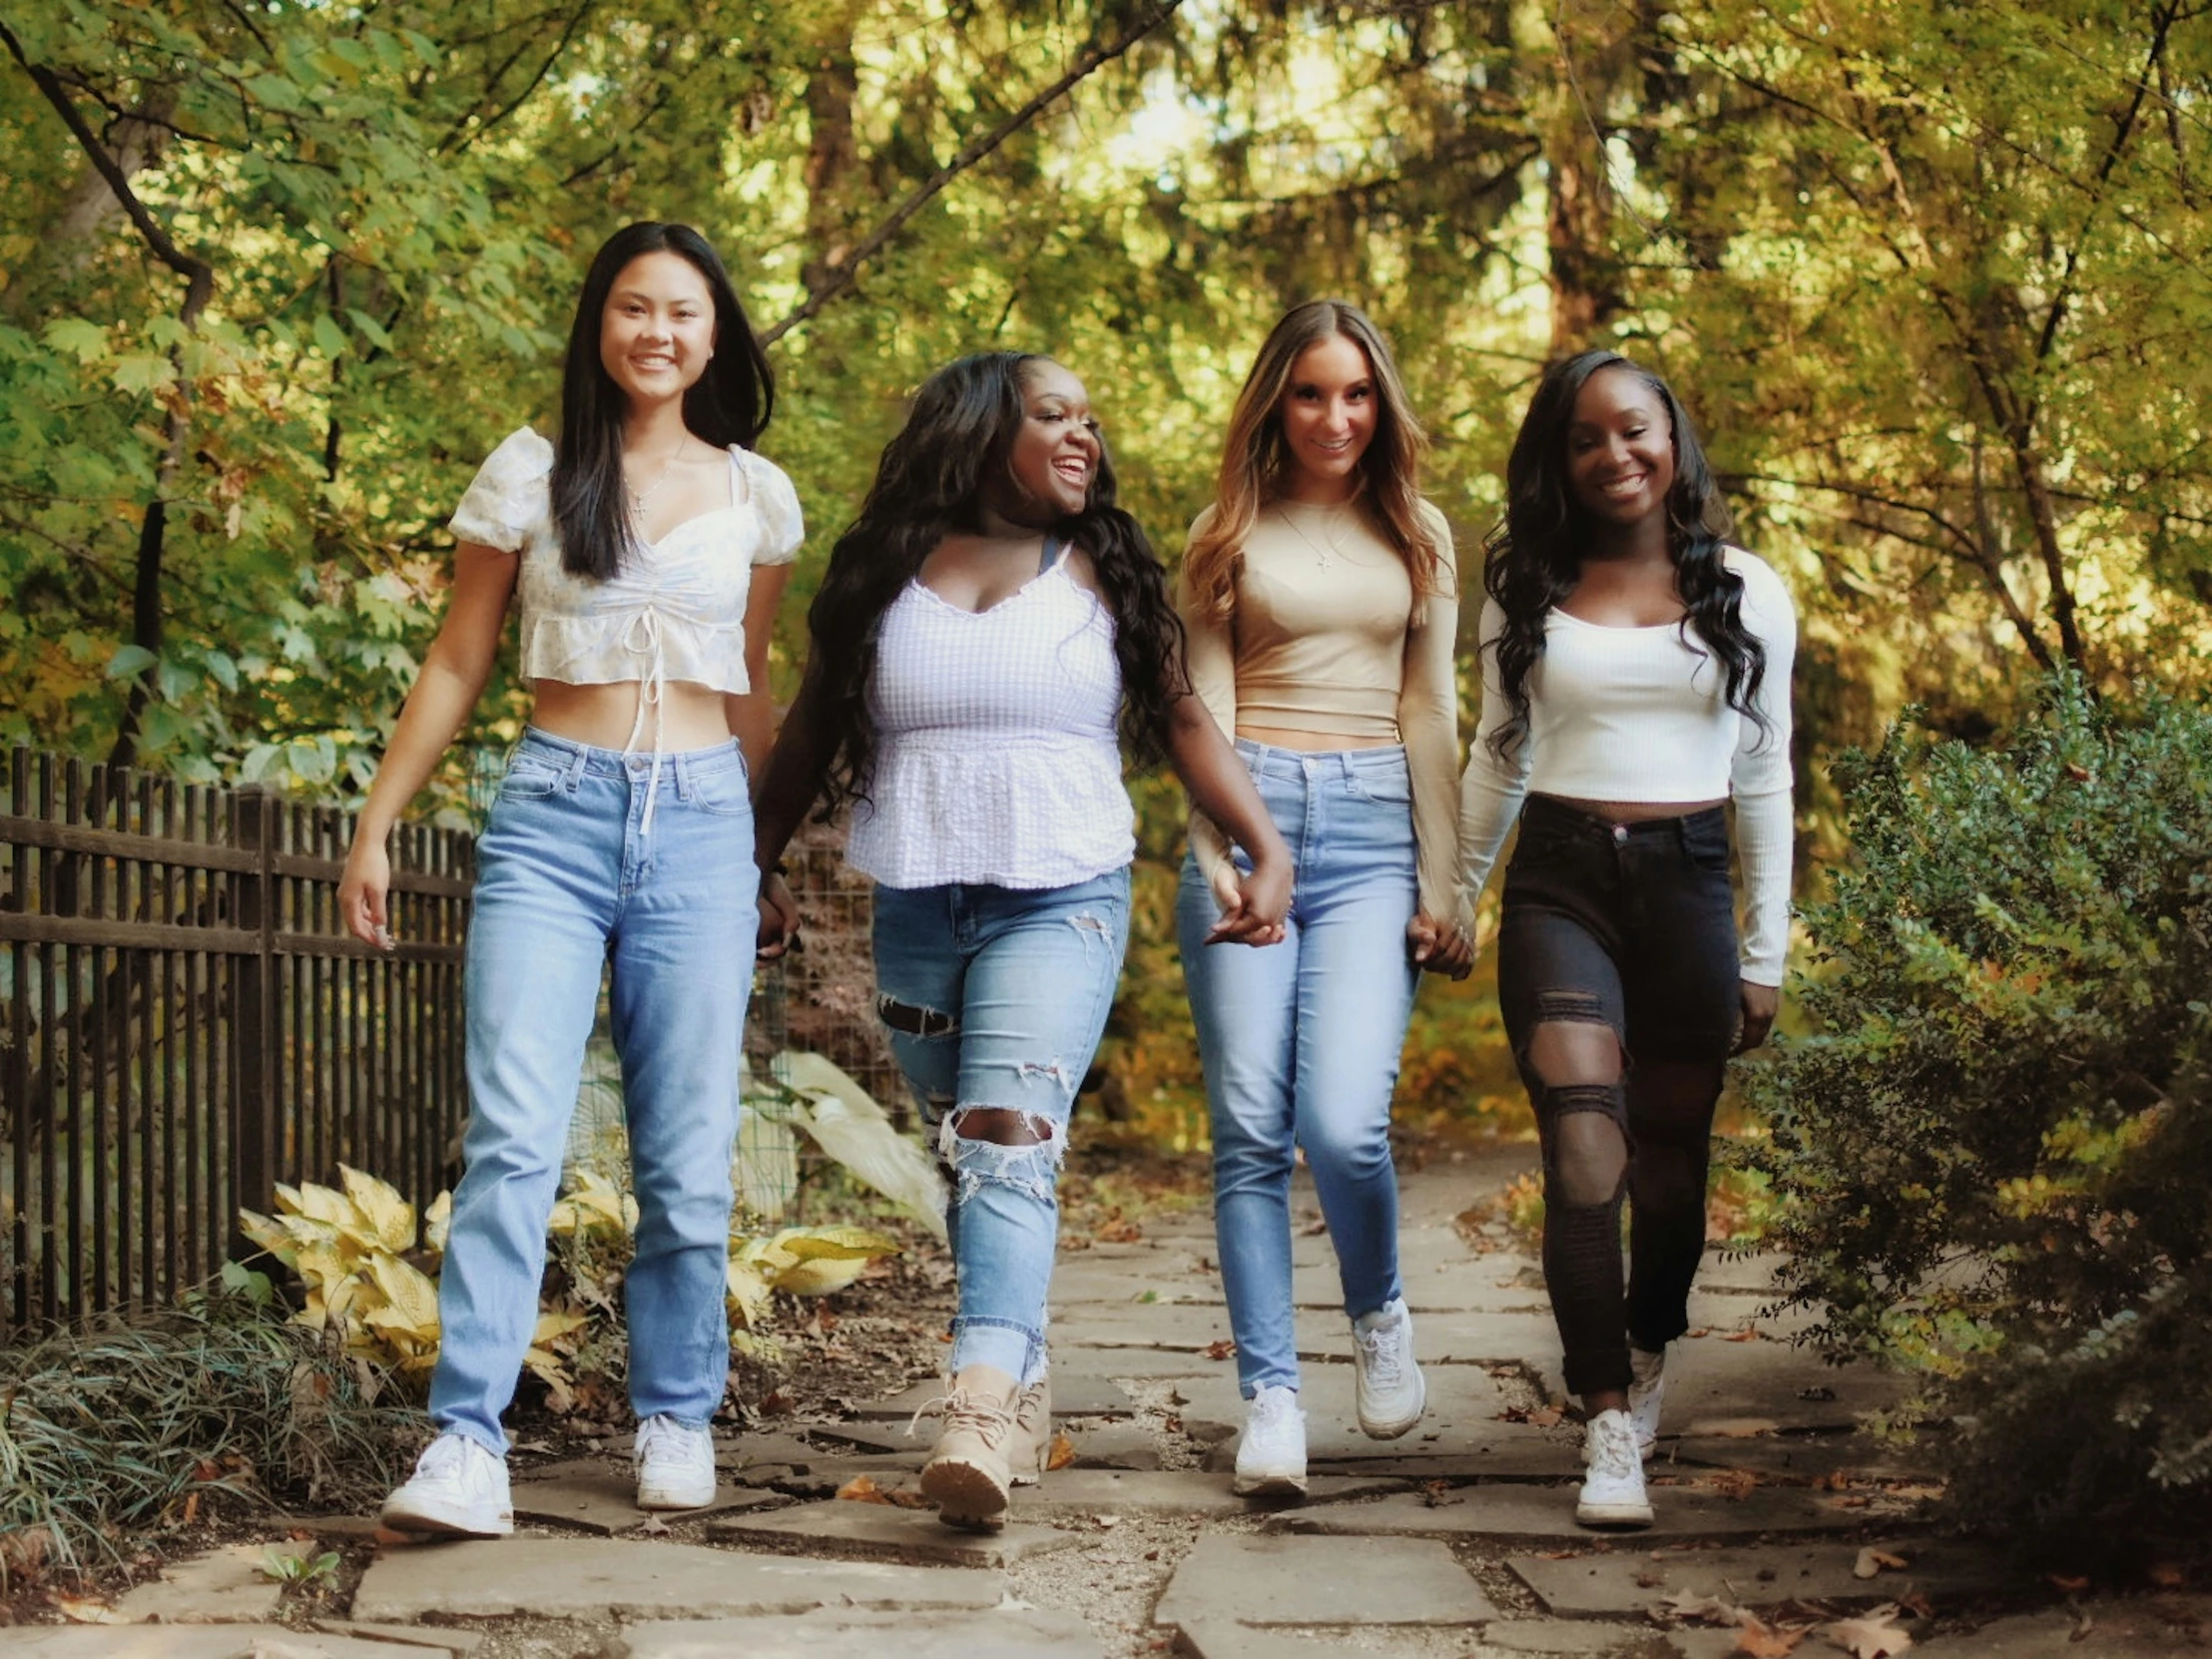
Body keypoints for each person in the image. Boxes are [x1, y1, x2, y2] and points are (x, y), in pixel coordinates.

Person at [750, 350, 1294, 1532]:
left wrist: (1264, 845)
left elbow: (1183, 718)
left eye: (1090, 418)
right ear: (980, 429)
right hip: (918, 902)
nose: (1082, 435)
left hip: (1065, 894)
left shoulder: (1100, 567)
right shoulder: (881, 571)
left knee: (1005, 1134)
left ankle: (980, 1405)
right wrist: (754, 864)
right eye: (1054, 414)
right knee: (971, 1155)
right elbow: (806, 731)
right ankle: (1017, 1362)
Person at [337, 223, 803, 1536]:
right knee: (514, 1134)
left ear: (716, 337)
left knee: (687, 1142)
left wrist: (763, 857)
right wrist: (377, 824)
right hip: (550, 814)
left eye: (683, 314)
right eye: (634, 309)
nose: (657, 332)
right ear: (601, 322)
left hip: (704, 822)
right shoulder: (534, 475)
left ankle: (674, 1408)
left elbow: (751, 681)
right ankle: (465, 1441)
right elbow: (456, 658)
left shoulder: (757, 495)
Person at [1456, 349, 1795, 1528]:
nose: (1615, 455)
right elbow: (1498, 751)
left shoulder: (1745, 589)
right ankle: (1604, 1420)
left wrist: (1765, 951)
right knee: (1584, 1153)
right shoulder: (1524, 585)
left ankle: (1649, 1347)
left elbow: (1764, 776)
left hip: (1689, 882)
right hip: (1560, 884)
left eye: (1635, 430)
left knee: (1668, 1159)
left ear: (1673, 440)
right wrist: (1454, 890)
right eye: (1587, 438)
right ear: (1560, 461)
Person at [1174, 299, 1469, 1499]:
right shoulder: (1219, 532)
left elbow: (1430, 710)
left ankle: (1378, 1309)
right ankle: (1271, 1401)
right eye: (1308, 393)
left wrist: (1447, 880)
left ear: (1379, 404)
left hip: (1370, 834)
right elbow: (1202, 709)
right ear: (1272, 403)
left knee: (1341, 1123)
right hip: (1254, 819)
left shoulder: (1421, 532)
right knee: (1249, 1125)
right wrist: (1219, 852)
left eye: (1354, 394)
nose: (1333, 417)